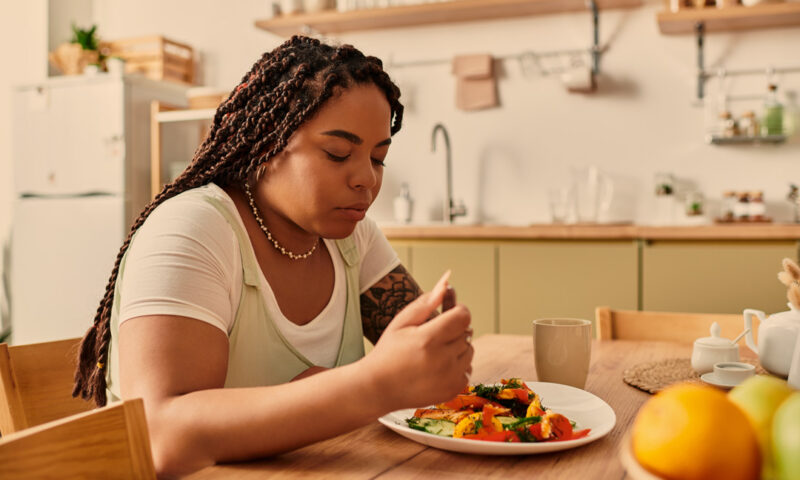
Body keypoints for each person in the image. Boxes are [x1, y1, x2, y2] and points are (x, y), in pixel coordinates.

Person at [72, 35, 473, 477]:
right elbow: (159, 435)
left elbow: (426, 361)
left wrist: (435, 350)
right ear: (267, 144)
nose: (366, 180)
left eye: (378, 158)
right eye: (338, 153)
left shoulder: (351, 238)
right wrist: (367, 385)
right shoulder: (193, 230)